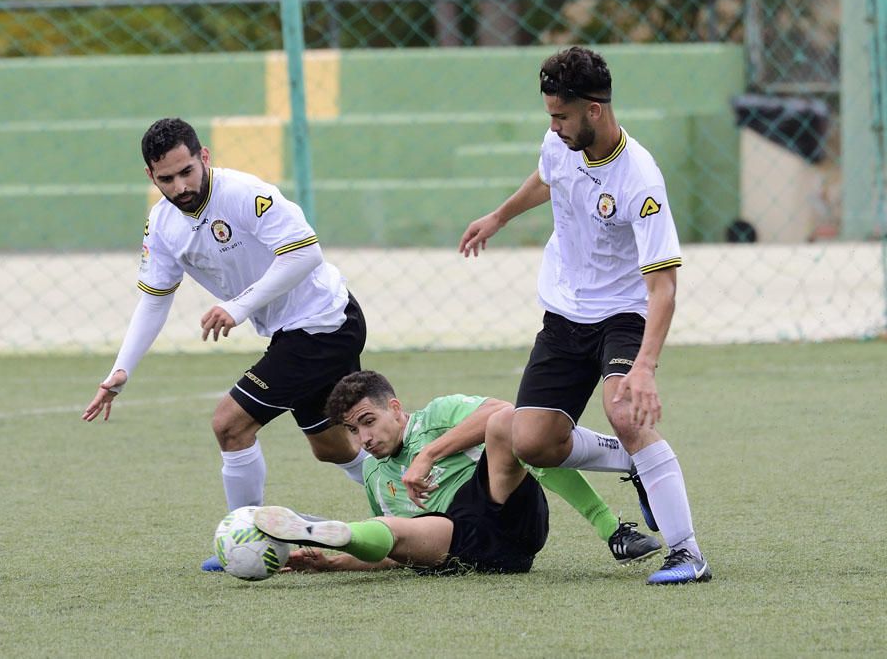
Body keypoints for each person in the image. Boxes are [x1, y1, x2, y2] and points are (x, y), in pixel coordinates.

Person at [458, 47, 710, 584]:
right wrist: (498, 216)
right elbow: (548, 177)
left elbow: (663, 287)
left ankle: (687, 552)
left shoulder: (639, 179)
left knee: (624, 409)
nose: (553, 127)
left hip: (623, 312)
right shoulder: (560, 141)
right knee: (533, 442)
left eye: (561, 116)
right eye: (550, 115)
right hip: (564, 312)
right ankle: (636, 464)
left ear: (594, 110)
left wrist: (644, 367)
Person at [80, 118, 370, 570]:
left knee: (230, 424)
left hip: (324, 322)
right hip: (297, 331)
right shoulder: (161, 225)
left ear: (205, 157)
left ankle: (245, 537)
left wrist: (236, 307)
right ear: (150, 177)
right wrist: (121, 370)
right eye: (166, 179)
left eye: (187, 171)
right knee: (332, 445)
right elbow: (154, 301)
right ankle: (415, 501)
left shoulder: (245, 194)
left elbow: (306, 252)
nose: (180, 187)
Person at [251, 370, 661, 574]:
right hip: (454, 546)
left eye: (368, 421)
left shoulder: (437, 415)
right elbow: (397, 553)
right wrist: (333, 563)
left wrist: (428, 454)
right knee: (385, 527)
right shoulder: (376, 476)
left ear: (394, 408)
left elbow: (504, 412)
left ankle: (614, 531)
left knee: (510, 426)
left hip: (505, 514)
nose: (364, 440)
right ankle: (333, 534)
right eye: (353, 431)